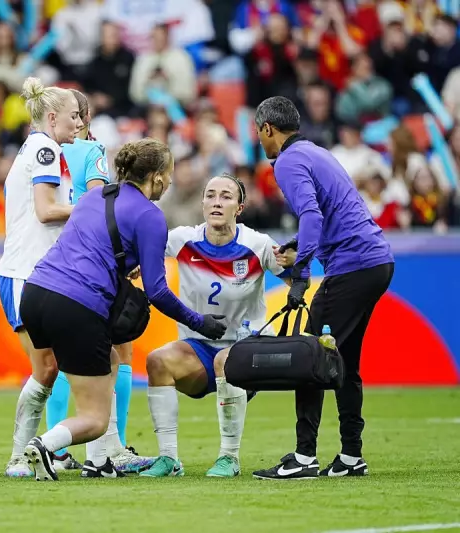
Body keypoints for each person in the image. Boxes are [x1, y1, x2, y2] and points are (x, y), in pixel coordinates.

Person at [19, 138, 228, 481]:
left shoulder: (93, 196)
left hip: (36, 292)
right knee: (94, 419)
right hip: (76, 304)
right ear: (156, 177)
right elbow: (157, 291)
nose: (170, 182)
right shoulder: (150, 215)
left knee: (107, 360)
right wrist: (199, 323)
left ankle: (95, 462)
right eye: (169, 174)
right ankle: (45, 445)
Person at [251, 96, 394, 480]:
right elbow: (330, 213)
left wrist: (300, 274)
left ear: (267, 128)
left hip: (352, 265)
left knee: (309, 358)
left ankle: (304, 457)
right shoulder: (317, 153)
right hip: (375, 261)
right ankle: (351, 456)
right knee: (344, 361)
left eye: (258, 133)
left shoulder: (288, 161)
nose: (259, 141)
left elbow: (312, 214)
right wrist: (299, 244)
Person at [140, 173, 293, 479]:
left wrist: (296, 264)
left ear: (240, 208)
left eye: (226, 196)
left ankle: (229, 458)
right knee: (157, 360)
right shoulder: (182, 240)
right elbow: (142, 249)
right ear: (202, 204)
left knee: (226, 359)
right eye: (210, 195)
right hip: (198, 350)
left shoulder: (258, 244)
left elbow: (296, 276)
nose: (216, 202)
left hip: (247, 349)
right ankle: (169, 459)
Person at [44, 89, 153, 474]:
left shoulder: (40, 151)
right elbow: (98, 206)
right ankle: (112, 446)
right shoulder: (91, 151)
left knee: (59, 358)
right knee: (119, 351)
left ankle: (56, 448)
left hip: (47, 262)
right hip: (89, 261)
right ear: (84, 117)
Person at [0, 77, 82, 478]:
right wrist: (92, 207)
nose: (79, 122)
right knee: (46, 368)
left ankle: (51, 449)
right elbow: (47, 211)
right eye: (73, 115)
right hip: (25, 274)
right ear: (51, 117)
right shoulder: (45, 150)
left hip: (40, 273)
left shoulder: (40, 149)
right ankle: (19, 456)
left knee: (55, 366)